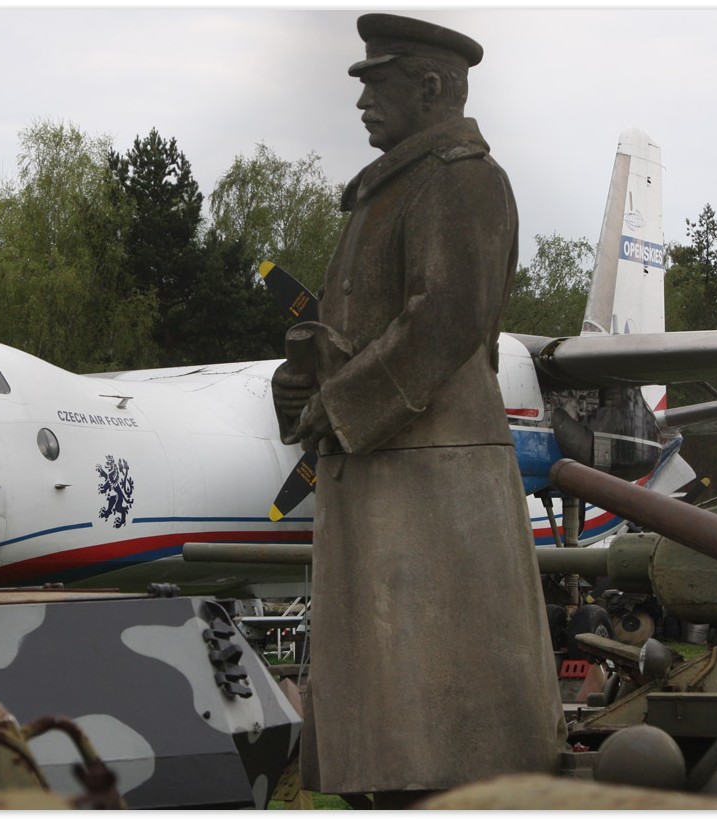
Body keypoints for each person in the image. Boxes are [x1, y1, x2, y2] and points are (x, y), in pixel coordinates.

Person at [272, 14, 567, 806]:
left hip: (432, 472)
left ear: (430, 86)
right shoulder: (391, 189)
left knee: (442, 713)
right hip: (388, 463)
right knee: (389, 705)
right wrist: (304, 380)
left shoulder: (462, 179)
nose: (361, 101)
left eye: (379, 83)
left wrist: (340, 402)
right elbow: (374, 324)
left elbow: (445, 319)